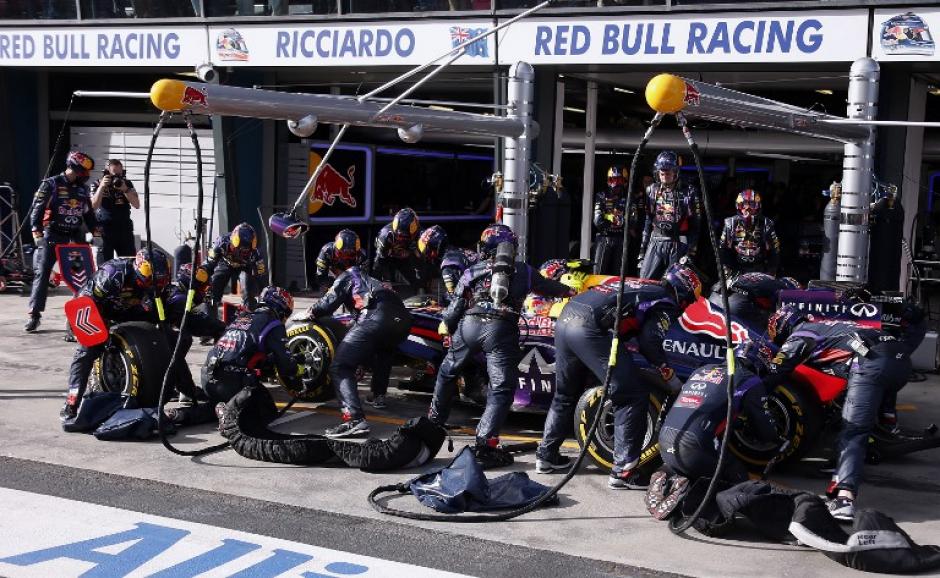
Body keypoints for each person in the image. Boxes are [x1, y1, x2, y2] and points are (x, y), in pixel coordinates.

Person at [536, 260, 703, 488]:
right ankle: (623, 472)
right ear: (683, 292)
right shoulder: (666, 301)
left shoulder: (643, 286)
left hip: (567, 318)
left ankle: (546, 457)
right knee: (631, 395)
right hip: (589, 328)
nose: (687, 306)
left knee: (565, 394)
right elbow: (650, 341)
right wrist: (668, 374)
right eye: (689, 301)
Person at [429, 224, 574, 468]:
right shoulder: (524, 271)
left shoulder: (471, 269)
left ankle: (433, 423)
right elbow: (552, 288)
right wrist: (572, 291)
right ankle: (485, 442)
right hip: (499, 330)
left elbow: (455, 306)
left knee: (447, 372)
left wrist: (447, 324)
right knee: (501, 388)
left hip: (469, 326)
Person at [761, 306, 911, 521]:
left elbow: (777, 371)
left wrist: (755, 395)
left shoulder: (801, 332)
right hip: (900, 360)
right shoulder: (826, 325)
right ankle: (886, 425)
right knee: (851, 403)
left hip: (871, 361)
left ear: (782, 327)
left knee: (853, 430)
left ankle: (844, 499)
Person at [61, 248, 171, 422]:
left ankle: (177, 386)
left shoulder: (158, 282)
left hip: (126, 309)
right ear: (139, 266)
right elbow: (85, 301)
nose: (154, 280)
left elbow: (160, 307)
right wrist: (101, 329)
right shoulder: (114, 274)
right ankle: (72, 401)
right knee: (88, 351)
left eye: (159, 276)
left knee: (169, 337)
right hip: (96, 308)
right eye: (149, 273)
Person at [307, 265, 412, 437]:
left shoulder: (348, 275)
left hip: (377, 316)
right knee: (383, 354)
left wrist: (310, 312)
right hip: (403, 322)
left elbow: (326, 305)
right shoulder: (373, 281)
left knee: (340, 367)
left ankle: (354, 420)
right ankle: (378, 396)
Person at [659, 342, 780, 483]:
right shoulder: (750, 380)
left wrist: (738, 422)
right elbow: (765, 433)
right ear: (759, 365)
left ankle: (677, 481)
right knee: (741, 480)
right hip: (694, 450)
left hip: (664, 443)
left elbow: (709, 407)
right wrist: (775, 434)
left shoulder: (700, 370)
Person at [25, 151, 101, 332]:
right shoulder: (50, 184)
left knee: (79, 277)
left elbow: (88, 214)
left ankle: (75, 318)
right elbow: (37, 209)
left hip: (74, 239)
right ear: (74, 166)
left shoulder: (82, 188)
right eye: (84, 170)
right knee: (42, 274)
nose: (87, 174)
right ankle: (34, 315)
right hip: (52, 236)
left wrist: (96, 232)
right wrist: (37, 233)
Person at [202, 286, 302, 406]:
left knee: (212, 409)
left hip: (207, 377)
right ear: (281, 307)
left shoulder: (241, 317)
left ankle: (180, 414)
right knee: (266, 409)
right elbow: (286, 368)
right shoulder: (274, 324)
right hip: (229, 382)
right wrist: (297, 365)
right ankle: (230, 411)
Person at [638, 151, 701, 280]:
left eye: (668, 172)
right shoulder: (652, 190)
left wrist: (690, 252)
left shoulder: (688, 192)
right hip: (655, 240)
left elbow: (696, 226)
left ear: (676, 172)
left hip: (677, 243)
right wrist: (642, 250)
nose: (665, 175)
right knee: (645, 280)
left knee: (674, 283)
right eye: (662, 172)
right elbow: (648, 221)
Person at [203, 222, 267, 316]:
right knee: (212, 290)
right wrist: (203, 279)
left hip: (246, 267)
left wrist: (264, 298)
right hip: (225, 264)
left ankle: (250, 317)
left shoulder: (255, 254)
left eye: (247, 249)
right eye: (242, 249)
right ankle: (209, 318)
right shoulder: (221, 243)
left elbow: (262, 277)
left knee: (248, 293)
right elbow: (208, 264)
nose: (245, 252)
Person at [719, 189, 781, 277]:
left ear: (758, 206)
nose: (747, 208)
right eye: (744, 204)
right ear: (738, 206)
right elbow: (722, 250)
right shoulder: (730, 223)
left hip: (760, 270)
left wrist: (771, 272)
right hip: (736, 269)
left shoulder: (767, 223)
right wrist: (727, 271)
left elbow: (775, 251)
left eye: (752, 204)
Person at [91, 159, 140, 264]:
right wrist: (101, 187)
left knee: (129, 263)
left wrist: (125, 189)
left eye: (120, 174)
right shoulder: (96, 184)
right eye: (114, 175)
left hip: (124, 229)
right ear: (106, 173)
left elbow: (137, 205)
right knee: (103, 265)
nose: (117, 178)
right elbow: (92, 207)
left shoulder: (127, 184)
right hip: (103, 229)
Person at [713, 272, 800, 329]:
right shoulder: (781, 287)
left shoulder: (764, 277)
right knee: (776, 323)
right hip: (735, 305)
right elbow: (778, 311)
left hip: (715, 297)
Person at [416, 224, 479, 300]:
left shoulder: (448, 265)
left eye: (428, 252)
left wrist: (441, 301)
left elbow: (456, 298)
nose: (427, 256)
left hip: (477, 302)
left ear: (436, 246)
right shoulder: (462, 251)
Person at [373, 207, 422, 294]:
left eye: (404, 237)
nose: (400, 239)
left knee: (417, 281)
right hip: (386, 259)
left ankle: (420, 291)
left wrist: (420, 274)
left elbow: (420, 258)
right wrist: (386, 280)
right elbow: (381, 260)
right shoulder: (385, 236)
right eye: (399, 235)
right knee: (377, 273)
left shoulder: (420, 235)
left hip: (405, 259)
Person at [593, 166, 629, 275]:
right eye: (613, 179)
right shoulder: (601, 195)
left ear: (624, 181)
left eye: (619, 180)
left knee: (619, 277)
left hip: (621, 240)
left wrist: (620, 219)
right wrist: (611, 218)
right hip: (604, 238)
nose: (615, 183)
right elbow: (598, 221)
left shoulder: (629, 197)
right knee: (598, 274)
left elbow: (633, 222)